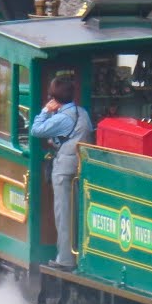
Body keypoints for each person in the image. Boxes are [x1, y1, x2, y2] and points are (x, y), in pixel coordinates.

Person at [30, 72, 93, 269]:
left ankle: (65, 258)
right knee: (78, 212)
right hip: (81, 166)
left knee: (63, 214)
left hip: (64, 170)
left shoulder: (62, 118)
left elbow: (36, 130)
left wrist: (46, 111)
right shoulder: (82, 113)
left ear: (54, 99)